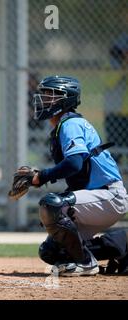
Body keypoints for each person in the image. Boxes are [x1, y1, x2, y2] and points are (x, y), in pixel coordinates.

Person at [29, 75, 128, 276]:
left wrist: (42, 177)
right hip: (97, 196)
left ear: (66, 100)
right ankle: (123, 244)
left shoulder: (70, 124)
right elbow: (80, 176)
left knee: (52, 204)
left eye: (51, 95)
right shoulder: (62, 127)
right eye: (44, 95)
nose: (44, 99)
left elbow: (74, 163)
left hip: (109, 196)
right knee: (51, 251)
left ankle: (85, 263)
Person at [104, 34, 128, 168]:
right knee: (115, 152)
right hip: (114, 114)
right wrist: (123, 67)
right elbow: (110, 81)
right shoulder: (111, 64)